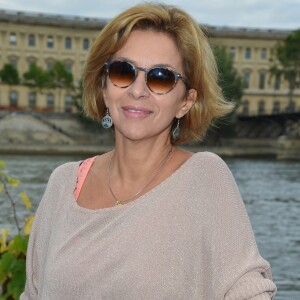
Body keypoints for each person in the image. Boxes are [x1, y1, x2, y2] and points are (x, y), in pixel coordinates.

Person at [21, 3, 277, 299]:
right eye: (122, 71)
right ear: (104, 88)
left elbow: (247, 290)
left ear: (186, 101)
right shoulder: (62, 183)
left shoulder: (205, 178)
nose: (137, 90)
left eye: (160, 77)